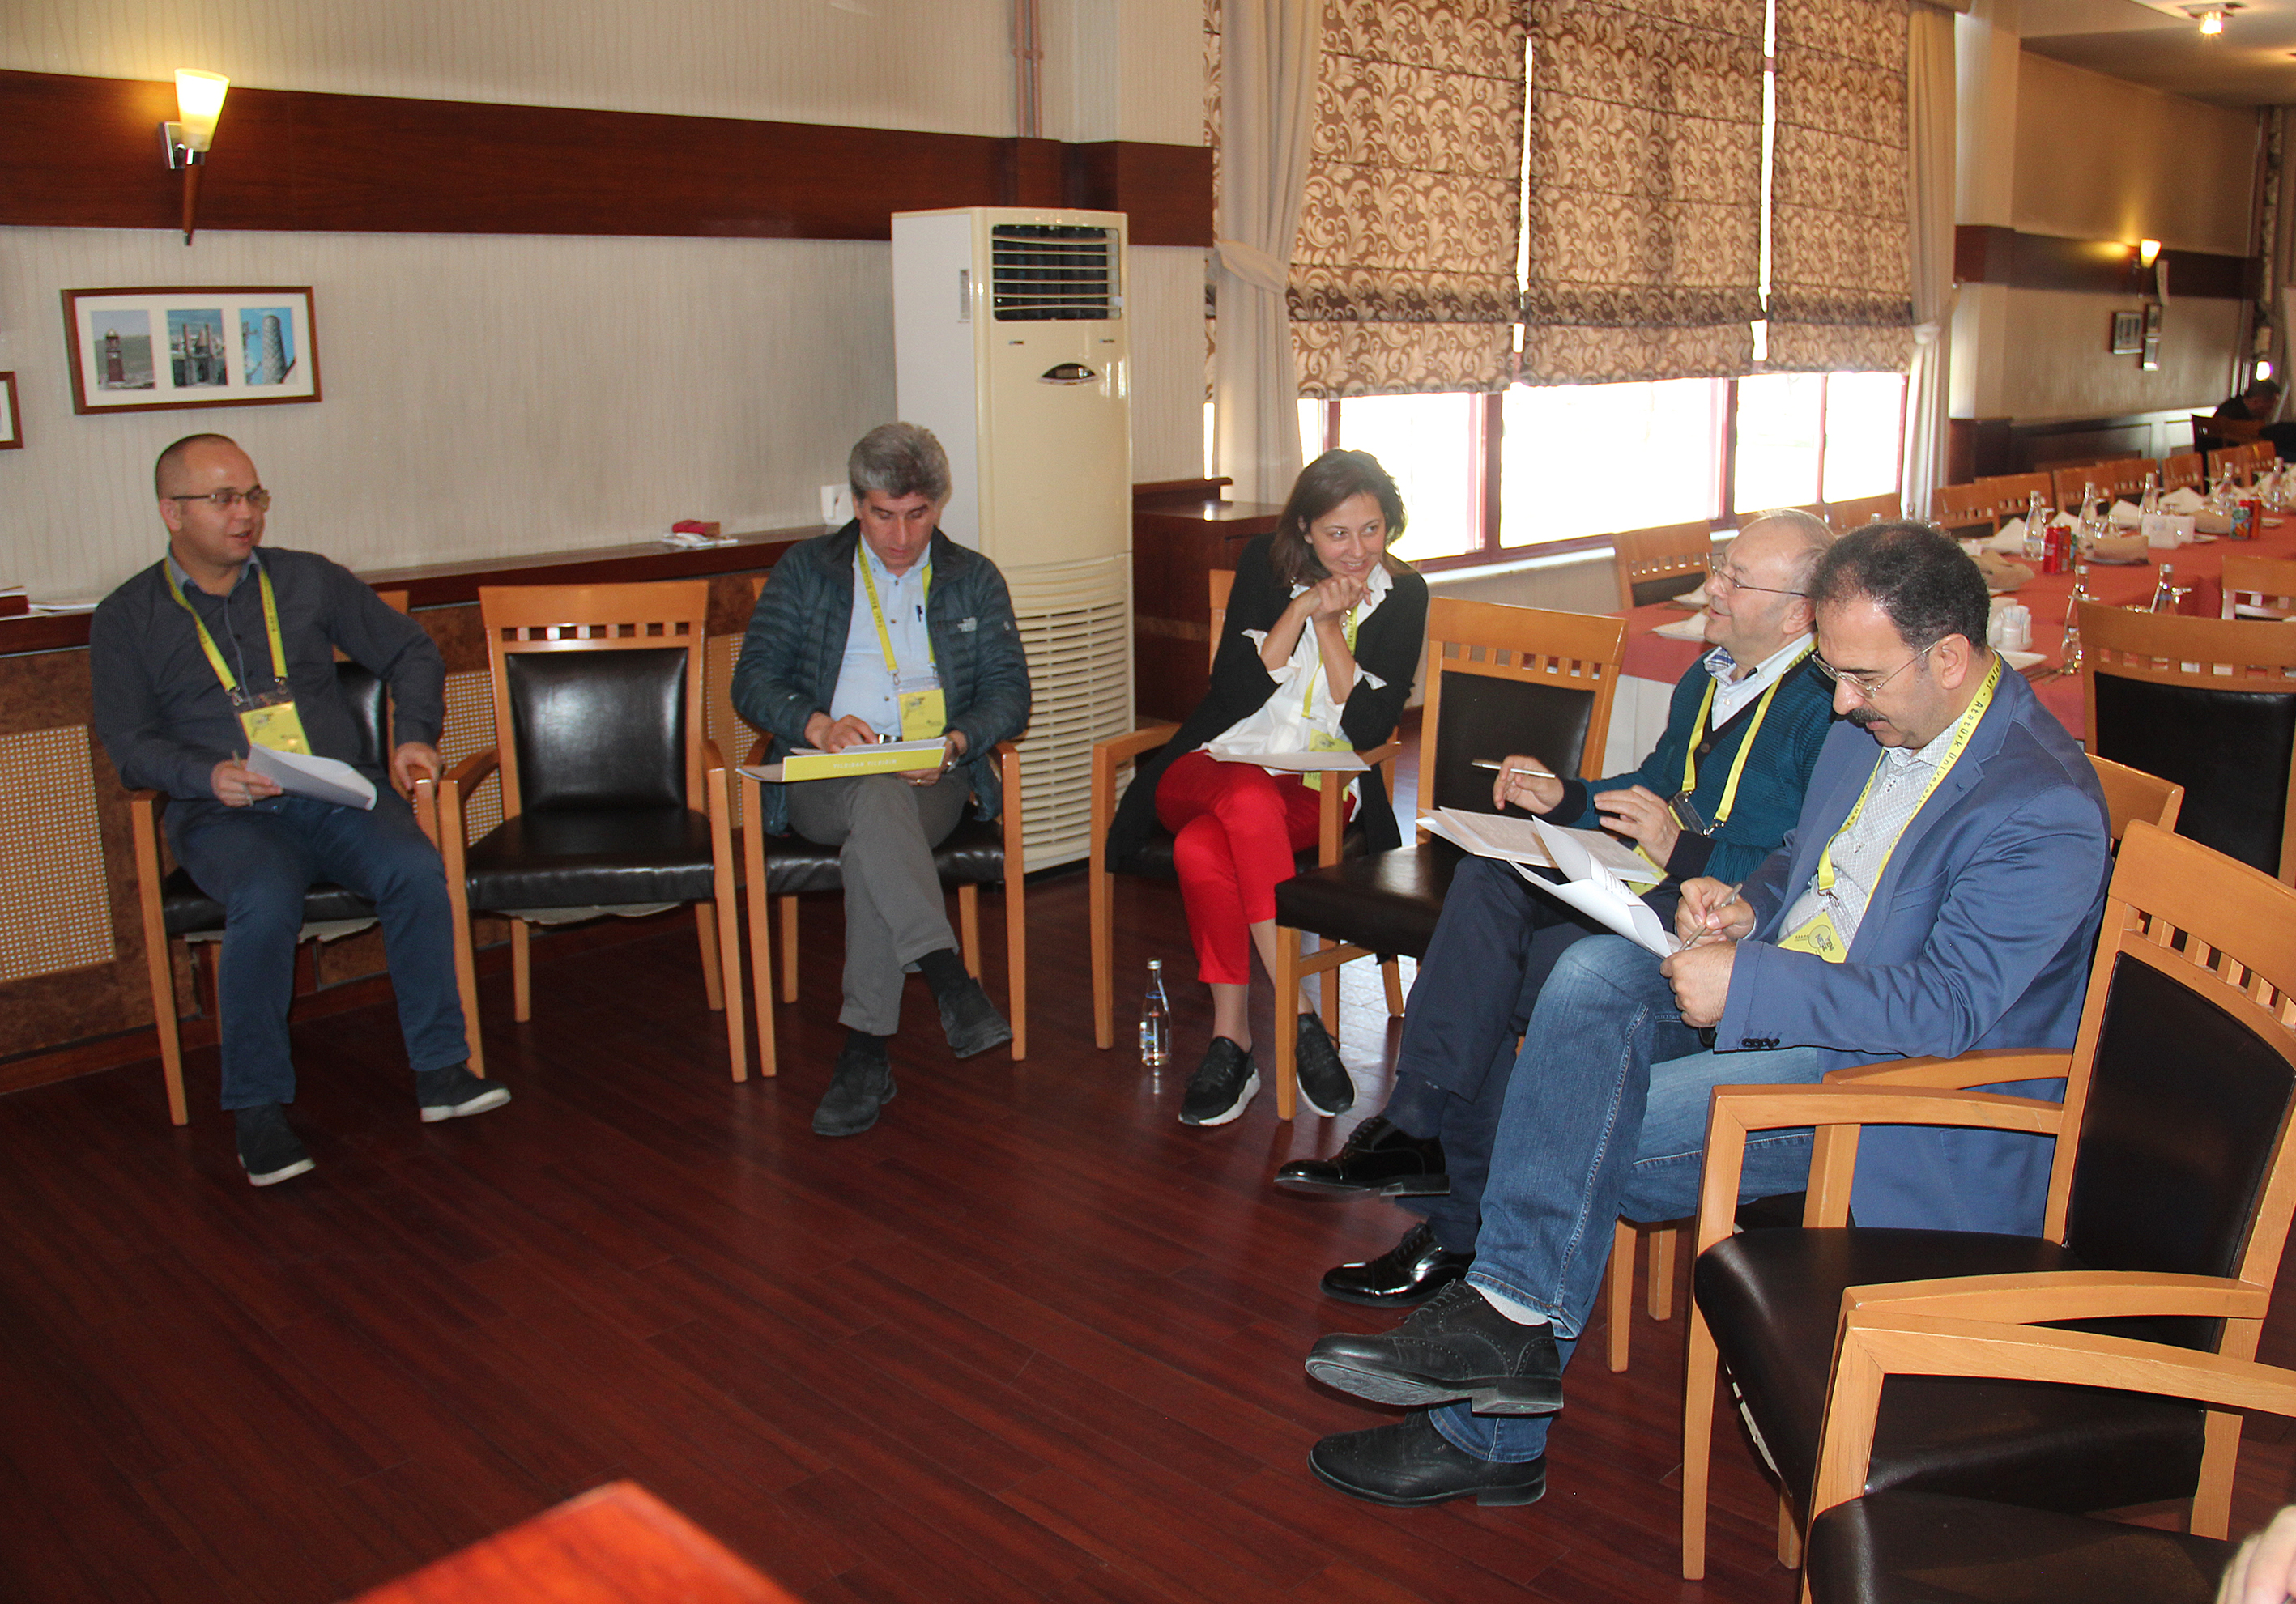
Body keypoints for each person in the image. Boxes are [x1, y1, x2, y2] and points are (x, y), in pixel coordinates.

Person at [1299, 522, 2111, 1508]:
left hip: (1895, 1081)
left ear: (1948, 657)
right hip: (1798, 991)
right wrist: (1749, 906)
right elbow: (1805, 856)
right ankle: (1501, 1343)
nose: (1840, 702)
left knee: (1573, 1129)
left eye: (1861, 678)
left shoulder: (2039, 803)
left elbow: (1945, 1008)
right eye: (1834, 674)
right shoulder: (1883, 719)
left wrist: (1750, 981)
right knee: (1590, 976)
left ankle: (1491, 1403)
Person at [1276, 509, 1837, 1308]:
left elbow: (1802, 870)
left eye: (1735, 579)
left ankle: (1451, 1205)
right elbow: (1650, 786)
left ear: (1797, 613)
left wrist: (1681, 848)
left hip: (1711, 927)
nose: (1711, 587)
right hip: (1651, 890)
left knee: (1491, 977)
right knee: (1487, 879)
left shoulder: (1824, 709)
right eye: (1720, 566)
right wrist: (1565, 794)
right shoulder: (1708, 677)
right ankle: (1420, 1126)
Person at [90, 434, 505, 1187]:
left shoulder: (307, 579)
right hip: (225, 813)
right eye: (223, 499)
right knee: (264, 894)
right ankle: (257, 1110)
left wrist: (413, 736)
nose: (245, 513)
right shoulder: (128, 616)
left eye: (253, 495)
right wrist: (204, 774)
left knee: (415, 868)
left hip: (335, 792)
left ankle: (442, 1070)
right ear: (172, 512)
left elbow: (412, 651)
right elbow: (128, 745)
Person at [1105, 450, 1429, 1126]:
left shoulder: (1405, 595)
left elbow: (1369, 726)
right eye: (1337, 533)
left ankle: (1233, 1041)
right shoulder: (1263, 564)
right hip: (1211, 763)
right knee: (1243, 797)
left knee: (1202, 848)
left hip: (1315, 784)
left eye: (1371, 529)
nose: (1357, 550)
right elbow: (1231, 692)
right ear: (1305, 529)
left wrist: (1330, 629)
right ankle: (1299, 1016)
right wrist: (1301, 607)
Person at [732, 423, 1031, 1138]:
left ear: (939, 505)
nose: (900, 536)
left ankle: (866, 1053)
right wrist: (817, 725)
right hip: (824, 775)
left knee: (879, 818)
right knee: (871, 796)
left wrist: (954, 743)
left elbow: (1010, 695)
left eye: (917, 515)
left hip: (931, 776)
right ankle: (946, 977)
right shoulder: (807, 569)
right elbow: (753, 679)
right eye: (883, 515)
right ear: (856, 504)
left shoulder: (973, 577)